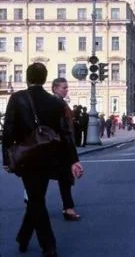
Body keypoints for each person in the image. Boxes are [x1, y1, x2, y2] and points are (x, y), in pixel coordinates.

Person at [2, 63, 83, 257]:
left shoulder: (17, 98)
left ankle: (49, 246)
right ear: (45, 79)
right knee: (36, 197)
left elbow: (8, 130)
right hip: (49, 156)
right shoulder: (55, 103)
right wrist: (74, 160)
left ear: (27, 78)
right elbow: (66, 134)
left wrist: (6, 158)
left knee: (35, 199)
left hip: (26, 156)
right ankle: (23, 237)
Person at [51, 78, 81, 222]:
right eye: (64, 88)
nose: (66, 90)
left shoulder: (61, 103)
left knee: (64, 179)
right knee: (65, 179)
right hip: (60, 147)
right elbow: (64, 129)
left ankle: (67, 207)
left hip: (59, 146)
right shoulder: (57, 104)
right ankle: (68, 208)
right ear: (55, 88)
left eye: (67, 87)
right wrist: (73, 156)